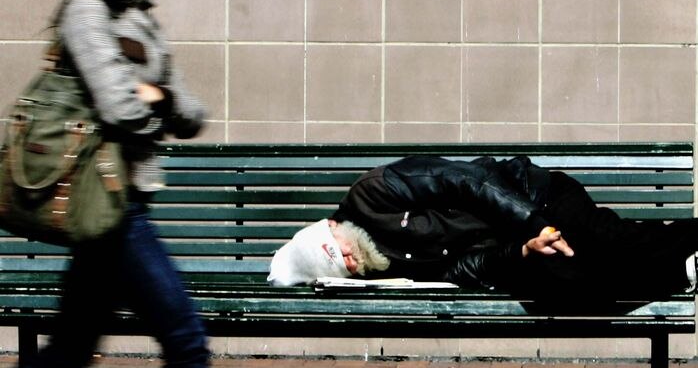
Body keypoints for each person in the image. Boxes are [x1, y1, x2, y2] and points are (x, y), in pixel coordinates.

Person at [19, 0, 210, 367]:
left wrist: (162, 97)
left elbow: (192, 114)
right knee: (186, 341)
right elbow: (118, 107)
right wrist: (158, 108)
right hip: (111, 201)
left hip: (120, 200)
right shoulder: (87, 10)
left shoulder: (140, 15)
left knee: (69, 347)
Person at [268, 155, 698, 297]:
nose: (350, 259)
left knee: (604, 239)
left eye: (336, 248)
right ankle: (684, 270)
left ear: (331, 225)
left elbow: (469, 181)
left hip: (536, 197)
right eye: (341, 267)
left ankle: (687, 260)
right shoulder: (382, 267)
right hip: (523, 243)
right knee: (574, 282)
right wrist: (523, 251)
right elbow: (459, 271)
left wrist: (537, 226)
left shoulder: (372, 191)